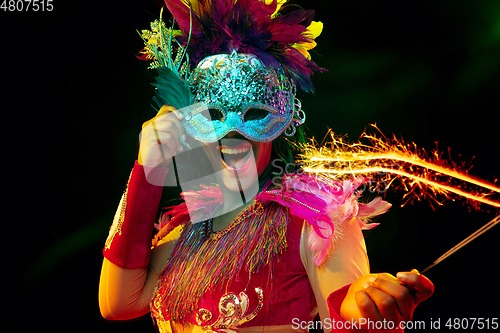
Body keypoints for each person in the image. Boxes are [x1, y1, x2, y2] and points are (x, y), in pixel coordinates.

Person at [99, 1, 434, 332]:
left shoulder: (316, 224)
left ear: (285, 119)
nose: (233, 131)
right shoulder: (182, 235)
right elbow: (116, 304)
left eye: (254, 113)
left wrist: (365, 311)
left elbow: (350, 314)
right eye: (214, 115)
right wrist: (147, 169)